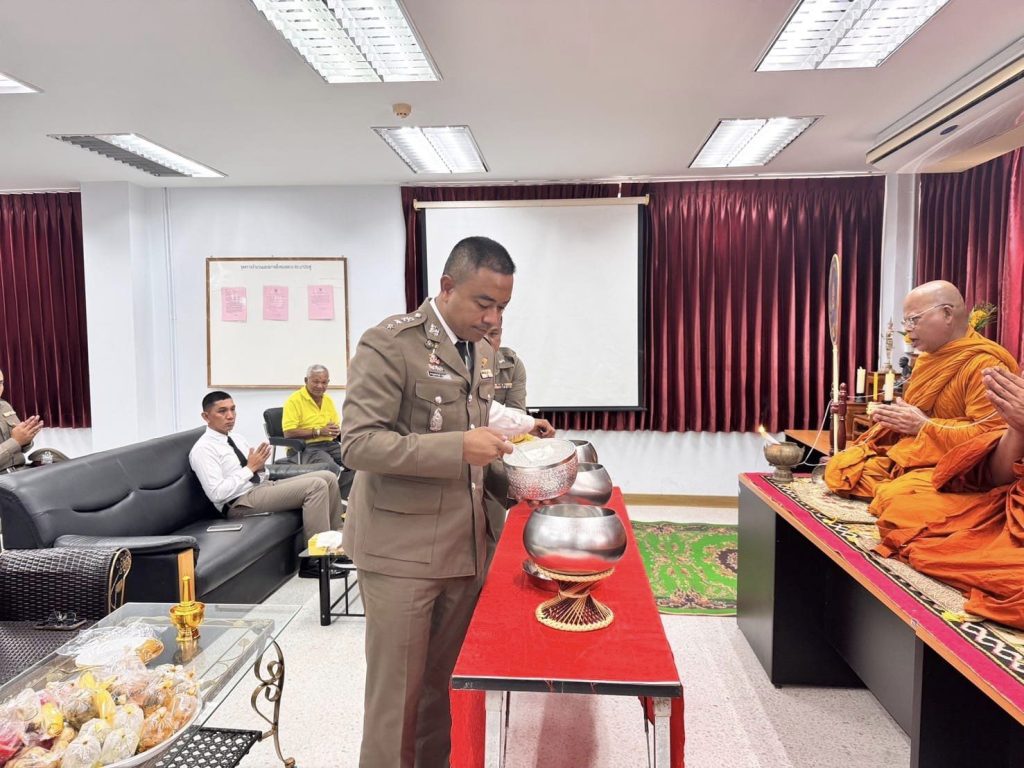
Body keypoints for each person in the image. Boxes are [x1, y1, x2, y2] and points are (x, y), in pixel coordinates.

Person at [340, 236, 552, 768]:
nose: (492, 318)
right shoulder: (390, 343)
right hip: (402, 554)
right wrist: (457, 447)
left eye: (502, 307)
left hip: (464, 548)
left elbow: (482, 451)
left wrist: (527, 487)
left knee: (444, 692)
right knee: (397, 702)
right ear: (447, 287)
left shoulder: (482, 352)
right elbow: (358, 444)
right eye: (484, 303)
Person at [825, 280, 1018, 503]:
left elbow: (992, 438)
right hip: (919, 453)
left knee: (897, 499)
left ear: (947, 314)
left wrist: (924, 425)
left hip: (958, 470)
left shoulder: (986, 366)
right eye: (905, 321)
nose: (907, 330)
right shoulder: (928, 358)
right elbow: (916, 416)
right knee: (841, 468)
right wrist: (896, 420)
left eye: (914, 319)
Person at [869, 367, 1024, 629]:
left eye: (914, 322)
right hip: (1005, 502)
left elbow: (977, 430)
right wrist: (1018, 430)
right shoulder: (944, 365)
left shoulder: (982, 359)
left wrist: (924, 425)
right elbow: (999, 475)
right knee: (904, 508)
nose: (911, 342)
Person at [189, 391, 344, 546]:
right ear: (206, 416)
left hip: (262, 487)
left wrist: (261, 468)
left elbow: (261, 474)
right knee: (316, 486)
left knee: (328, 477)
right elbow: (217, 494)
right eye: (222, 411)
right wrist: (250, 469)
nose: (230, 416)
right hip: (239, 502)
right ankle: (318, 555)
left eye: (232, 409)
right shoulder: (203, 449)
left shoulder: (236, 438)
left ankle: (339, 543)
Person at [281, 364, 344, 467]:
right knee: (330, 467)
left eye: (324, 382)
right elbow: (288, 433)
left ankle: (341, 479)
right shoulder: (294, 400)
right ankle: (334, 477)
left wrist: (335, 431)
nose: (320, 386)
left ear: (328, 382)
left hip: (329, 444)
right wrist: (318, 431)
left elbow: (334, 427)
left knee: (358, 461)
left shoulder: (328, 400)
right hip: (303, 448)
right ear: (306, 380)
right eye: (316, 382)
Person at [0, 368, 44, 473]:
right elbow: (16, 441)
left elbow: (23, 449)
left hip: (20, 472)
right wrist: (16, 441)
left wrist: (26, 438)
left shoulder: (5, 406)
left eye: (0, 383)